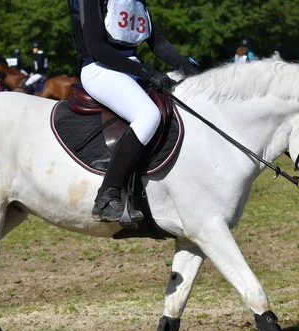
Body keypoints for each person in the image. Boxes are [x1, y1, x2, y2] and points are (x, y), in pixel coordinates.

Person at [68, 0, 201, 223]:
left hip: (130, 69)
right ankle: (107, 195)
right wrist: (145, 71)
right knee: (148, 115)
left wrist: (183, 63)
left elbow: (157, 43)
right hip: (99, 69)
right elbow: (96, 47)